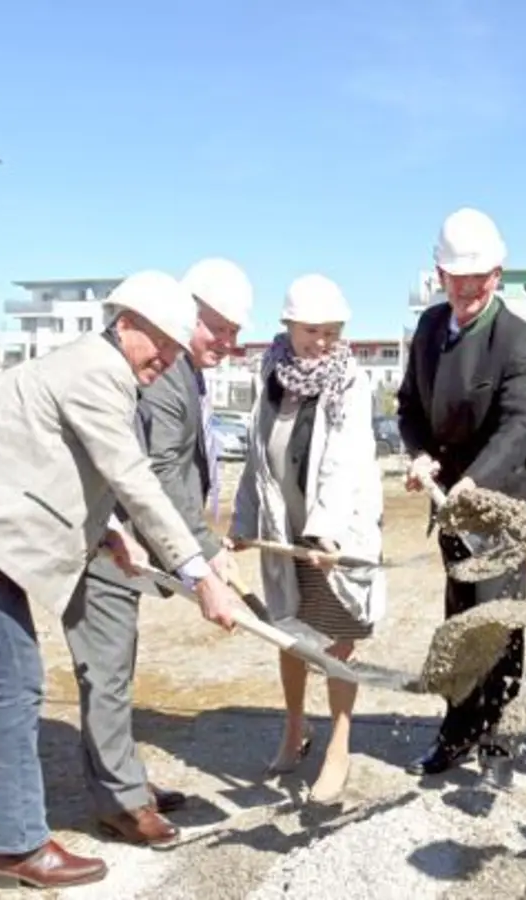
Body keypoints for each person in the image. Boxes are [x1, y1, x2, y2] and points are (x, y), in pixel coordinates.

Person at [0, 270, 245, 890]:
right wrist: (200, 574)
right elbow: (133, 477)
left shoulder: (73, 367)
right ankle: (19, 845)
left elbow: (48, 459)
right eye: (163, 346)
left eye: (177, 350)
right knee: (19, 678)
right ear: (126, 324)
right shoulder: (101, 375)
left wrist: (108, 534)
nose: (167, 360)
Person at [63, 258, 251, 847]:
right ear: (187, 312)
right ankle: (120, 801)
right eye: (218, 328)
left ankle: (125, 780)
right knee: (107, 667)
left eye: (236, 333)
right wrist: (202, 555)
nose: (228, 343)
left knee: (117, 664)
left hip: (131, 535)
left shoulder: (182, 371)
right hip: (107, 537)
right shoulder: (166, 376)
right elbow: (161, 471)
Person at [396, 207, 526, 786]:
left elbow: (520, 425)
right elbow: (410, 405)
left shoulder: (518, 340)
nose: (464, 288)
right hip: (451, 504)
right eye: (453, 277)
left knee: (497, 623)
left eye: (476, 277)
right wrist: (419, 453)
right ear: (438, 274)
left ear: (498, 273)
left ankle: (499, 741)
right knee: (460, 617)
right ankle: (459, 729)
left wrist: (474, 481)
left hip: (503, 503)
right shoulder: (431, 330)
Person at [231, 273, 387, 806]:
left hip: (334, 535)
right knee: (290, 635)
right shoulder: (270, 373)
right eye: (310, 331)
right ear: (288, 326)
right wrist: (242, 523)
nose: (321, 342)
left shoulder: (350, 380)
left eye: (331, 331)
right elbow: (258, 456)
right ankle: (295, 728)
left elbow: (343, 461)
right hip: (283, 531)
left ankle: (339, 745)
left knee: (338, 637)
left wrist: (325, 529)